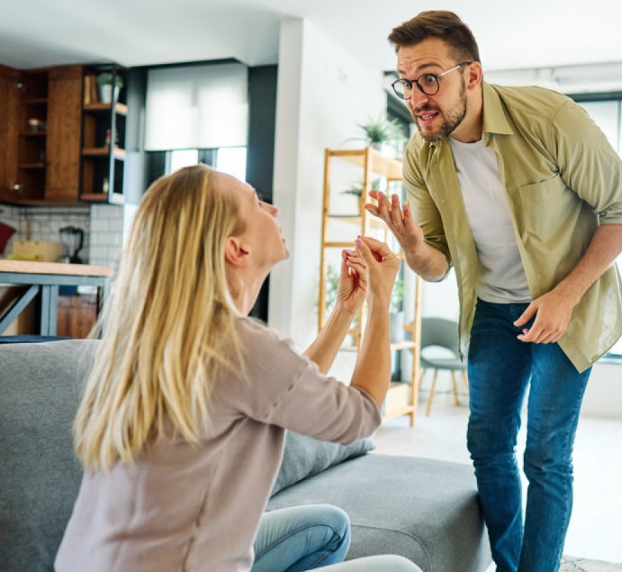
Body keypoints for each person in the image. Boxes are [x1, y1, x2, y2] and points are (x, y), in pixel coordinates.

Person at [366, 11, 622, 572]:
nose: (416, 96)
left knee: (545, 454)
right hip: (492, 308)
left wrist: (566, 295)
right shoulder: (422, 153)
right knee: (487, 446)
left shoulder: (550, 118)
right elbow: (437, 264)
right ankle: (512, 563)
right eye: (405, 81)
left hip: (566, 302)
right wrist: (413, 245)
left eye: (429, 79)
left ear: (472, 76)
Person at [55, 165, 421, 572]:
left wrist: (346, 309)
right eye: (256, 203)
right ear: (237, 249)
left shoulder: (161, 338)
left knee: (328, 526)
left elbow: (281, 386)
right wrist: (381, 300)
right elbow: (363, 414)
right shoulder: (240, 345)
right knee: (399, 570)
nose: (274, 210)